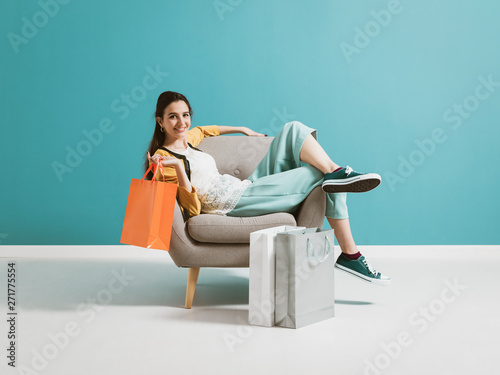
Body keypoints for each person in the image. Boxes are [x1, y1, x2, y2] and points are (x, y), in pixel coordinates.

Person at [146, 91, 390, 286]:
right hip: (227, 204)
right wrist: (178, 167)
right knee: (320, 175)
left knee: (293, 129)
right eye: (173, 116)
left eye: (185, 115)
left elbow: (208, 130)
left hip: (244, 187)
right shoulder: (163, 160)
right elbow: (192, 208)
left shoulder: (190, 139)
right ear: (160, 121)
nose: (182, 122)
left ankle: (337, 171)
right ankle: (350, 254)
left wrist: (243, 129)